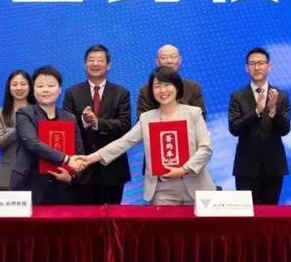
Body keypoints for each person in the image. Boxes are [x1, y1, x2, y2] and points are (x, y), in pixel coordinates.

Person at [77, 66, 214, 205]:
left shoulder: (194, 113)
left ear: (177, 87)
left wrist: (184, 169)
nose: (162, 90)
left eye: (167, 85)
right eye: (157, 86)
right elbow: (123, 143)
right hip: (163, 191)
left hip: (197, 187)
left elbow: (205, 148)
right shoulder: (147, 118)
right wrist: (89, 159)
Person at [63, 44, 132, 204]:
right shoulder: (72, 93)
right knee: (82, 217)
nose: (95, 63)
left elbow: (124, 126)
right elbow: (67, 128)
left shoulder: (121, 93)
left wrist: (97, 123)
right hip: (81, 170)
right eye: (91, 60)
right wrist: (83, 121)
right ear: (84, 64)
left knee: (111, 216)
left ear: (108, 65)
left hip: (113, 169)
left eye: (100, 60)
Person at [9, 65, 86, 204]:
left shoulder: (69, 118)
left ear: (60, 89)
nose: (45, 90)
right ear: (33, 89)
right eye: (40, 86)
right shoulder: (24, 114)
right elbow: (32, 143)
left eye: (51, 85)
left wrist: (72, 176)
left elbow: (79, 153)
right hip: (29, 184)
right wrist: (66, 159)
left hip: (61, 187)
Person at [228, 47, 291, 204]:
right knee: (247, 215)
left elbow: (285, 129)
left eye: (261, 63)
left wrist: (273, 111)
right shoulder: (237, 96)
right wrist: (257, 111)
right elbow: (234, 128)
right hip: (246, 167)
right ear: (246, 68)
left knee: (270, 213)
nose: (257, 67)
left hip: (274, 166)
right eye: (252, 63)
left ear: (269, 66)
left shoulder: (281, 96)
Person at [136, 44, 206, 119]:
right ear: (157, 62)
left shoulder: (193, 87)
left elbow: (200, 117)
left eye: (173, 57)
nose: (169, 61)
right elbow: (142, 120)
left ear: (180, 60)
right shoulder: (146, 90)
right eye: (164, 58)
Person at [0, 70, 35, 190]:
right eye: (15, 84)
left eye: (23, 84)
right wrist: (19, 127)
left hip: (34, 171)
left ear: (30, 87)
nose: (19, 88)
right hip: (7, 172)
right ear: (9, 88)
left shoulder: (38, 111)